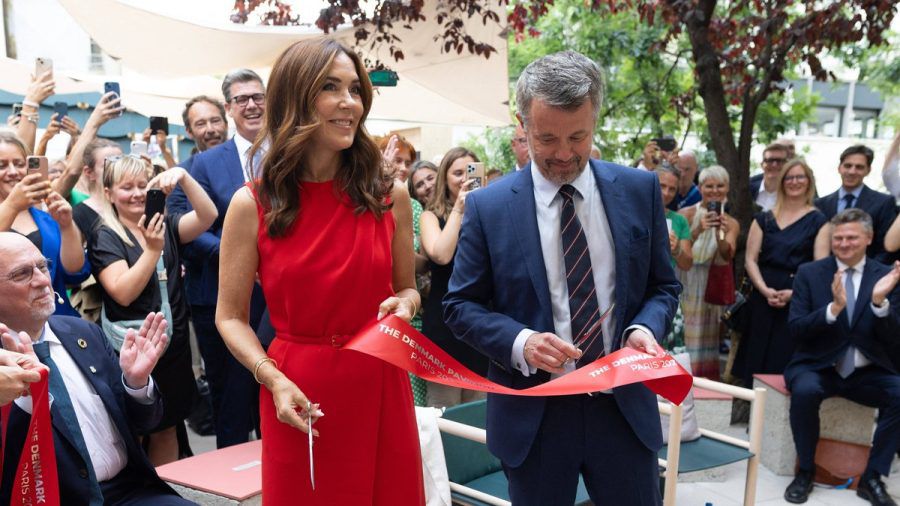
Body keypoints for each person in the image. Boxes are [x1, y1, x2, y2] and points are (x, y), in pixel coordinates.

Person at [444, 50, 680, 505]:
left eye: (579, 136)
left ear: (595, 118)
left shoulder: (639, 189)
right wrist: (521, 343)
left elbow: (663, 286)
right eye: (546, 138)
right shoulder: (488, 208)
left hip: (622, 410)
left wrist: (643, 329)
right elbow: (460, 307)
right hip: (534, 415)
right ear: (522, 123)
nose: (564, 154)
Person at [216, 38, 424, 504]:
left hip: (380, 381)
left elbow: (409, 290)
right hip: (297, 391)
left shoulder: (391, 195)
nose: (349, 102)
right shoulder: (251, 204)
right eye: (331, 87)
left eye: (355, 89)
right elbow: (229, 316)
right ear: (296, 97)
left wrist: (404, 307)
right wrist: (272, 378)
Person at [0, 232, 195, 506]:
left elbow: (145, 424)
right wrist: (20, 402)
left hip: (130, 492)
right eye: (22, 274)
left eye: (43, 267)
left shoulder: (84, 333)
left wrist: (136, 385)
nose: (43, 281)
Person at [88, 156, 216, 465]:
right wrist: (152, 251)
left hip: (172, 347)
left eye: (142, 185)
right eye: (126, 187)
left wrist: (184, 177)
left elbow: (208, 215)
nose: (136, 194)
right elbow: (123, 291)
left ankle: (163, 494)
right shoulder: (105, 234)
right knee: (133, 431)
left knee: (167, 427)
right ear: (108, 193)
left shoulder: (165, 223)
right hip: (132, 349)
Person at [166, 70, 269, 449]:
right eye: (241, 99)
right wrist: (244, 261)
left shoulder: (292, 152)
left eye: (257, 96)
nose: (251, 105)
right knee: (231, 400)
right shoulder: (203, 165)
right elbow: (178, 226)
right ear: (230, 108)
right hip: (221, 297)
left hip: (283, 297)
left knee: (277, 392)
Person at [784, 209, 900, 506]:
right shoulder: (810, 273)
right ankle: (805, 471)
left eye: (851, 237)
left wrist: (880, 303)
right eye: (838, 238)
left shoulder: (886, 276)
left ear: (869, 238)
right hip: (817, 365)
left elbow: (894, 338)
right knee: (805, 391)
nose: (844, 243)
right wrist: (832, 310)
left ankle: (873, 476)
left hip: (867, 370)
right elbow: (796, 330)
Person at [734, 159, 829, 387]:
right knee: (755, 354)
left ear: (809, 182)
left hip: (797, 298)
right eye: (789, 177)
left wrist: (793, 293)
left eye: (800, 177)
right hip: (762, 294)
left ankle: (777, 418)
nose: (794, 182)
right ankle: (750, 416)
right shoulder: (764, 218)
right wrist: (765, 290)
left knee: (783, 355)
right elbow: (750, 259)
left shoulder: (820, 221)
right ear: (782, 181)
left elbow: (821, 267)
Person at [420, 146, 489, 408]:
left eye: (470, 172)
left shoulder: (486, 214)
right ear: (444, 178)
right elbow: (441, 255)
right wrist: (460, 209)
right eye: (457, 173)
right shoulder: (431, 216)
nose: (464, 179)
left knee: (477, 411)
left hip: (481, 323)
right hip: (444, 323)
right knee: (443, 409)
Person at [0, 131, 91, 317]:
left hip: (56, 323)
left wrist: (67, 226)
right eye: (2, 165)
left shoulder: (45, 219)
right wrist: (12, 205)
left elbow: (74, 273)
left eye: (19, 164)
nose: (12, 172)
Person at [678, 165, 740, 379]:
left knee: (706, 336)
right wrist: (698, 229)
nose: (714, 190)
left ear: (727, 188)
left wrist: (718, 233)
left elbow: (727, 254)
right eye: (709, 186)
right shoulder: (685, 214)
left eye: (720, 186)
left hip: (709, 283)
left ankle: (701, 384)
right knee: (681, 333)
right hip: (684, 278)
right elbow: (679, 251)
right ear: (700, 187)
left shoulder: (730, 222)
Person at [815, 145, 897, 262]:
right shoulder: (820, 204)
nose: (852, 171)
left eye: (859, 167)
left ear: (868, 170)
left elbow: (885, 248)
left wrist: (870, 274)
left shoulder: (883, 203)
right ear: (839, 168)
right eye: (848, 166)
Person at [749, 142, 790, 212]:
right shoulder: (748, 189)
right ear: (762, 165)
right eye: (769, 160)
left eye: (779, 161)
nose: (774, 165)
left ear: (787, 165)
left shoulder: (793, 192)